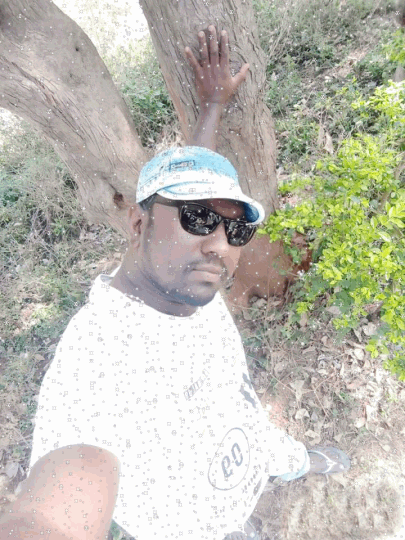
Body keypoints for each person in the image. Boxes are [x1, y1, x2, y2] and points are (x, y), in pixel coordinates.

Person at [14, 25, 350, 540]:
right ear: (137, 224)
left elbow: (191, 183)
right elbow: (55, 509)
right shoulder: (96, 363)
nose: (219, 245)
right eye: (197, 218)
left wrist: (212, 104)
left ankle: (298, 462)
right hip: (202, 527)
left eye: (235, 229)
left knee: (281, 454)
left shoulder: (179, 273)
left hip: (254, 446)